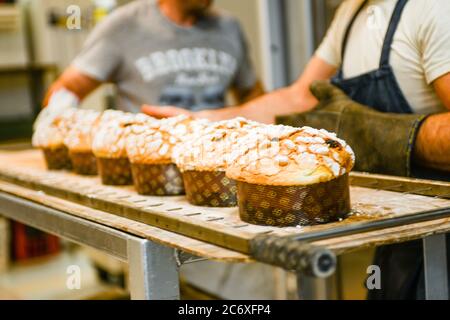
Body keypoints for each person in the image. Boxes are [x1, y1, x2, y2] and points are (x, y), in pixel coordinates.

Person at [143, 0, 450, 299]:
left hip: (441, 230)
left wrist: (380, 135)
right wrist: (206, 121)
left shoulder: (434, 8)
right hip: (400, 225)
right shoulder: (352, 10)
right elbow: (301, 97)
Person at [43, 0, 263, 112]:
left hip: (212, 164)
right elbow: (65, 92)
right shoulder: (125, 25)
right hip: (147, 169)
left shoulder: (228, 27)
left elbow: (251, 92)